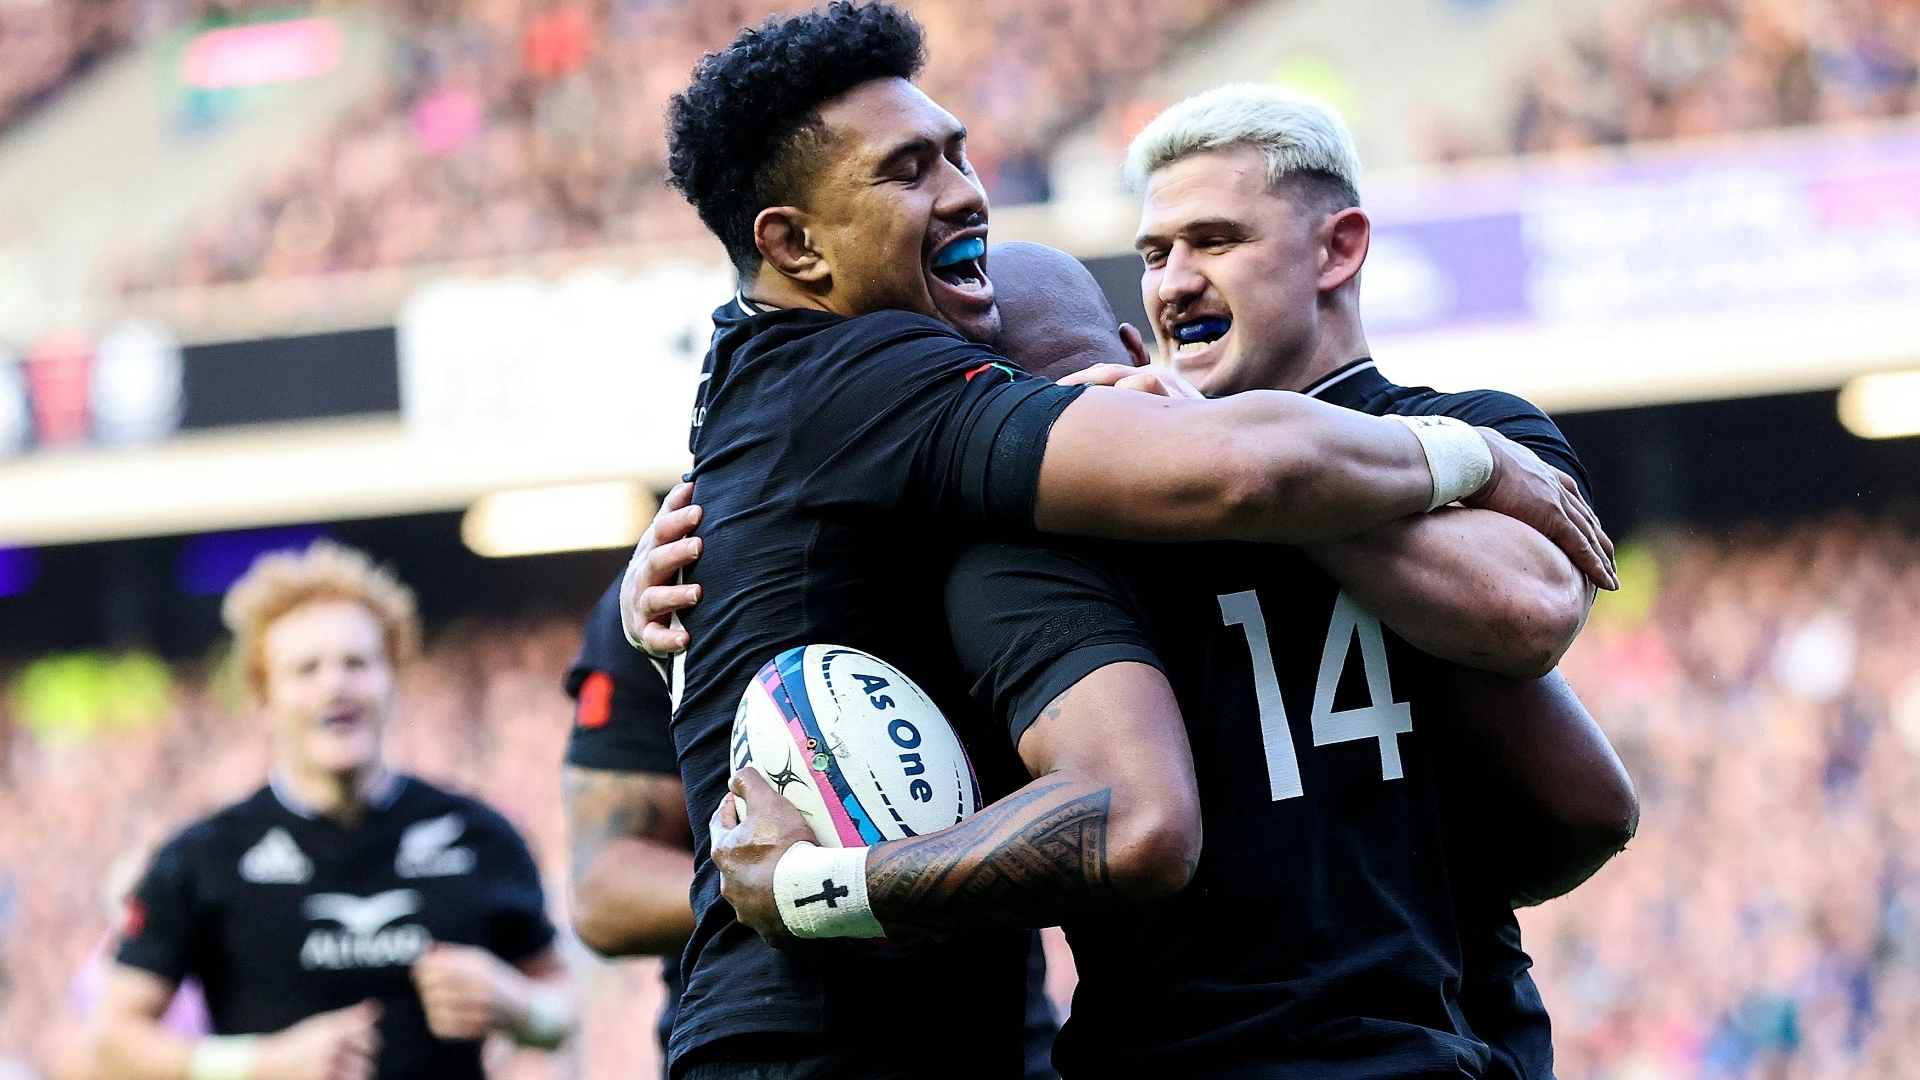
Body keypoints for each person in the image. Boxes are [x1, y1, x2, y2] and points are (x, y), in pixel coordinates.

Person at [649, 4, 1610, 1076]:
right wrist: (1456, 461)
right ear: (791, 243)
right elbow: (1141, 808)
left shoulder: (837, 423)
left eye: (1216, 240)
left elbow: (1557, 711)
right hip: (835, 1038)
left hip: (999, 1031)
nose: (1175, 278)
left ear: (1338, 248)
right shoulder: (906, 403)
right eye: (1155, 250)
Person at [95, 541, 576, 1080]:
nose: (335, 685)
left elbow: (564, 1006)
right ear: (263, 698)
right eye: (306, 669)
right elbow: (113, 1041)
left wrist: (518, 1007)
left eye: (356, 662)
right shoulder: (203, 857)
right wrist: (255, 1064)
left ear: (394, 679)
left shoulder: (481, 837)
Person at [562, 576, 1066, 1079]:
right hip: (763, 1041)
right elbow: (601, 891)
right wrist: (783, 881)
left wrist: (845, 880)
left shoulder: (977, 566)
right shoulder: (671, 589)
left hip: (996, 1038)